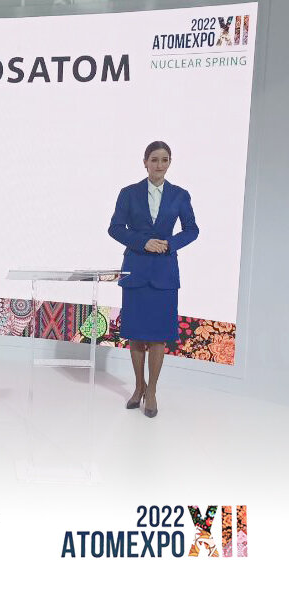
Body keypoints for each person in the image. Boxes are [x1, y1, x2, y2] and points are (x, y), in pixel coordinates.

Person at [108, 141, 199, 418]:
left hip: (164, 272)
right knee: (136, 334)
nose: (159, 164)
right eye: (154, 159)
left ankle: (152, 391)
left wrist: (170, 244)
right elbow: (115, 228)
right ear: (145, 162)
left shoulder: (180, 195)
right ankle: (139, 387)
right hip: (136, 270)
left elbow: (192, 230)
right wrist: (143, 242)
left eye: (165, 159)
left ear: (169, 163)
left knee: (159, 335)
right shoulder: (128, 193)